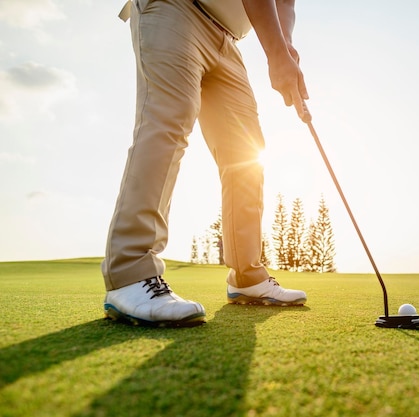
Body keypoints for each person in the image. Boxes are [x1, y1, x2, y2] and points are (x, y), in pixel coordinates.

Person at [102, 0, 310, 327]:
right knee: (169, 120)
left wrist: (286, 47)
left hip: (226, 39)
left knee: (246, 152)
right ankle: (131, 272)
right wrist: (275, 55)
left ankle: (246, 275)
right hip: (176, 8)